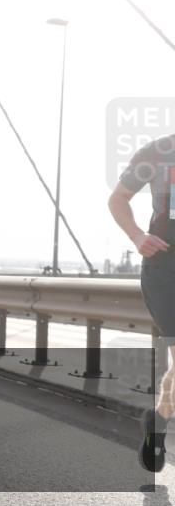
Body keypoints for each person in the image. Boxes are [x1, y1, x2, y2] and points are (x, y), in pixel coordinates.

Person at [108, 133, 174, 472]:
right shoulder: (157, 152)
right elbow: (118, 198)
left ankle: (158, 420)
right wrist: (137, 236)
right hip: (165, 269)